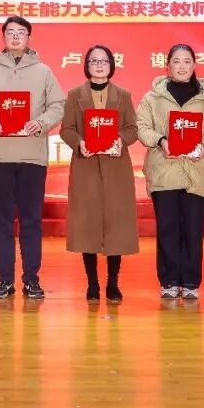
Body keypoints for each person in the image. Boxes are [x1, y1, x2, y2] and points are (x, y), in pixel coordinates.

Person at [0, 16, 66, 300]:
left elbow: (58, 105)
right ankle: (4, 279)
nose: (16, 36)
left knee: (32, 221)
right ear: (3, 37)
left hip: (32, 157)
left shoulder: (44, 72)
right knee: (2, 221)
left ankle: (32, 279)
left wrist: (41, 123)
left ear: (29, 37)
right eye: (10, 32)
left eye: (21, 32)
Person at [136, 43, 204, 299]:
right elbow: (141, 126)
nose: (182, 66)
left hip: (196, 172)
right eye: (176, 61)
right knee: (167, 228)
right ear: (167, 66)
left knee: (193, 229)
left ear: (195, 65)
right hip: (164, 171)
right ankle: (168, 280)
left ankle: (190, 282)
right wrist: (161, 140)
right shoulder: (152, 98)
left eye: (187, 61)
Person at [59, 44, 139, 303]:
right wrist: (79, 142)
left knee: (117, 225)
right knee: (88, 225)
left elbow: (132, 129)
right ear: (87, 66)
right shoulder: (75, 95)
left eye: (104, 61)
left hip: (116, 167)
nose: (99, 65)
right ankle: (92, 283)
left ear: (111, 65)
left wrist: (120, 140)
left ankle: (113, 283)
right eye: (94, 61)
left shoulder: (123, 95)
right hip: (87, 166)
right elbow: (66, 129)